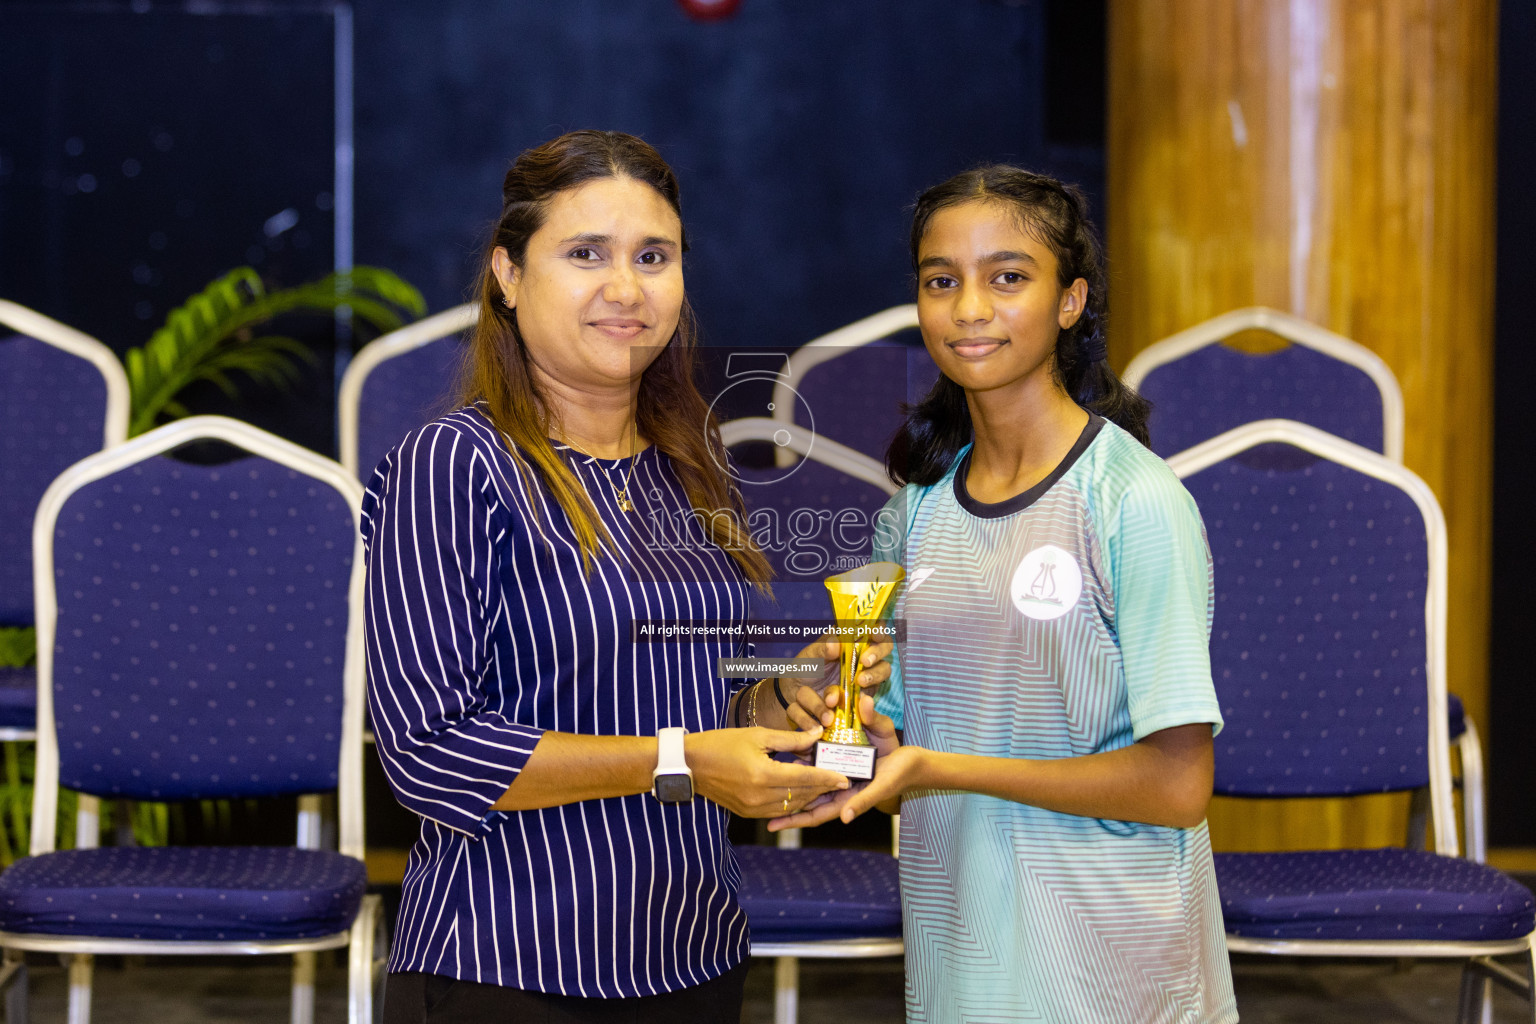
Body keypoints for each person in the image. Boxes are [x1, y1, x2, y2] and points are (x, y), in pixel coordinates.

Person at [362, 130, 881, 1023]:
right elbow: (427, 756)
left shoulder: (691, 464)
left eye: (653, 256)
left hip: (693, 956)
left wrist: (788, 697)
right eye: (584, 254)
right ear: (508, 276)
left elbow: (695, 707)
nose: (626, 288)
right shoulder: (452, 466)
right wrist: (680, 763)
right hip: (507, 965)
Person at [774, 166, 1238, 1023]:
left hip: (1116, 968)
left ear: (1071, 302)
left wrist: (934, 768)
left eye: (1008, 277)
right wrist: (820, 697)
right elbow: (885, 730)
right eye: (941, 280)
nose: (970, 308)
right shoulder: (913, 515)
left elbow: (1178, 785)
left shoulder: (1134, 500)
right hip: (964, 957)